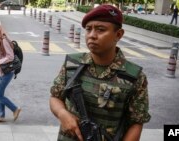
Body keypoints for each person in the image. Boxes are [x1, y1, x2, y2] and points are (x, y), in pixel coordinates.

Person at [49, 4, 151, 141]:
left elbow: (136, 122)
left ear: (118, 35)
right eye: (88, 29)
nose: (92, 36)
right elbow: (55, 96)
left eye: (100, 30)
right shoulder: (73, 64)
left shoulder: (134, 77)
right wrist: (62, 114)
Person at [0, 22, 21, 122]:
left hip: (5, 73)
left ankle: (15, 109)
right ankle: (1, 116)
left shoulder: (3, 40)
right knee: (0, 94)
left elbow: (10, 56)